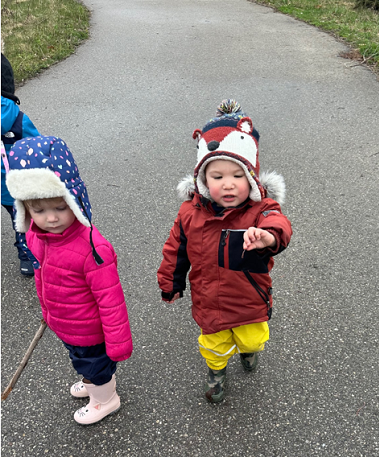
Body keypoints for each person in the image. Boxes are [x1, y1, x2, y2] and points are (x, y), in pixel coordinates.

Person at [157, 99, 293, 403]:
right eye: (217, 177)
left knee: (254, 340)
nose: (228, 185)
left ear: (252, 178)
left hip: (249, 300)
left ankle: (248, 353)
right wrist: (171, 283)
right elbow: (175, 251)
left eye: (237, 176)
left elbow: (279, 223)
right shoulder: (189, 214)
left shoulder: (262, 210)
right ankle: (216, 375)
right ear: (203, 179)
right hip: (210, 301)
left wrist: (268, 238)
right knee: (214, 346)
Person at [6, 136, 133, 424]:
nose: (50, 218)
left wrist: (118, 343)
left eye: (59, 208)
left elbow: (111, 301)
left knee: (95, 364)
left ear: (74, 200)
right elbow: (43, 277)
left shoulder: (93, 249)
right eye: (38, 211)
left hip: (90, 330)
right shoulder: (37, 237)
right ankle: (94, 383)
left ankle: (105, 399)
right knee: (82, 361)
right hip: (66, 323)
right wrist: (48, 313)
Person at [1, 52, 40, 276]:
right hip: (14, 188)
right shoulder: (18, 119)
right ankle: (27, 257)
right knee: (22, 219)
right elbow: (38, 148)